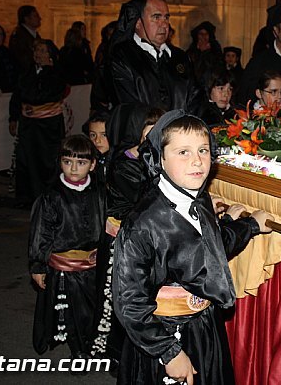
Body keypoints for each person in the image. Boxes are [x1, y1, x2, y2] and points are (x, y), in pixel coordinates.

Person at [112, 110, 273, 384]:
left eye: (203, 150)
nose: (197, 160)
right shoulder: (143, 223)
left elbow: (211, 248)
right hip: (164, 334)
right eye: (183, 152)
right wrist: (169, 352)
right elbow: (129, 302)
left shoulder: (199, 200)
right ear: (160, 158)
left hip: (203, 327)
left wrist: (250, 226)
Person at [91, 105, 164, 365]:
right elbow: (148, 200)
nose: (154, 140)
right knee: (120, 300)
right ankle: (116, 354)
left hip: (142, 239)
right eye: (148, 135)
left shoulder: (154, 158)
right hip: (122, 241)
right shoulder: (125, 163)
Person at [28, 135, 105, 358]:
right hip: (64, 269)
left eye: (81, 162)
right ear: (59, 162)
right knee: (72, 312)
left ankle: (93, 344)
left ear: (92, 165)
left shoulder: (100, 193)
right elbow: (41, 232)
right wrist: (38, 265)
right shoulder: (51, 196)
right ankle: (79, 352)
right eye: (67, 161)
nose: (73, 168)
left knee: (93, 310)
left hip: (93, 266)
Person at [107, 0, 199, 112]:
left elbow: (196, 99)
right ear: (138, 23)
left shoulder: (179, 57)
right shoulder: (122, 57)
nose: (164, 24)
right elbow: (129, 108)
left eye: (166, 17)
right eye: (156, 17)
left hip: (182, 129)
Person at [9, 39, 67, 205]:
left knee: (47, 160)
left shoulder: (56, 73)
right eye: (36, 50)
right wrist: (13, 117)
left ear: (50, 54)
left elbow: (46, 95)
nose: (38, 54)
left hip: (48, 126)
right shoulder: (26, 72)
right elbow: (17, 96)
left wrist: (32, 102)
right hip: (29, 126)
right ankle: (28, 197)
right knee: (26, 159)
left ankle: (49, 195)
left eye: (42, 51)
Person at [186, 20, 223, 86]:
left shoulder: (215, 48)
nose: (203, 36)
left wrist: (205, 52)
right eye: (201, 34)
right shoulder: (192, 49)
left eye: (206, 34)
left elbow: (217, 67)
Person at [9, 5, 42, 71]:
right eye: (35, 16)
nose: (40, 18)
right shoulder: (19, 36)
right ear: (26, 19)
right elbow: (22, 60)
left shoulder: (34, 35)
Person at [82, 110, 111, 183]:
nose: (97, 140)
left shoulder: (121, 162)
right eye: (93, 135)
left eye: (104, 135)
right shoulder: (86, 158)